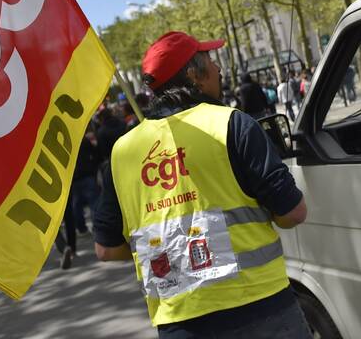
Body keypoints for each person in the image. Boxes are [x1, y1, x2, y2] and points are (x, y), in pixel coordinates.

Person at [93, 31, 311, 338]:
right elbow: (293, 214)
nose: (219, 69)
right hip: (262, 310)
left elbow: (106, 249)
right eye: (211, 60)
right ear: (194, 75)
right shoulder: (232, 124)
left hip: (181, 321)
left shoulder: (123, 151)